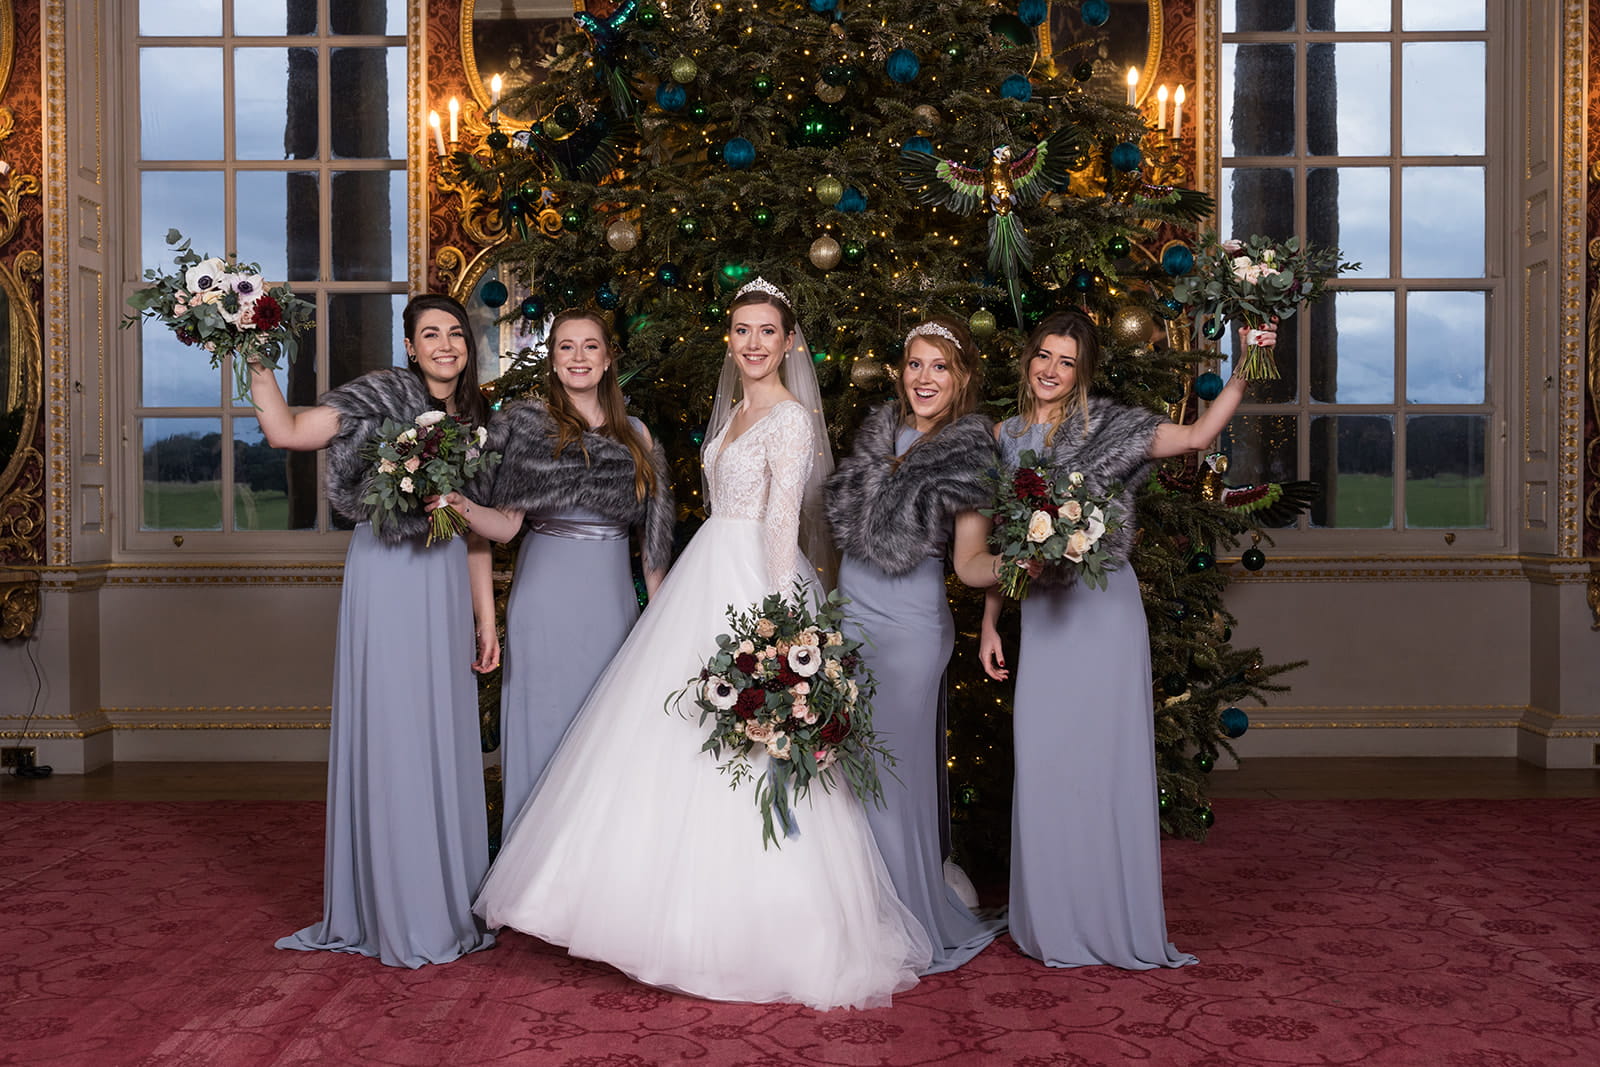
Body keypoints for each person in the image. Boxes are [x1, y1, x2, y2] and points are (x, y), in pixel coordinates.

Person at [473, 278, 932, 1009]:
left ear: (788, 342)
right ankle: (644, 906)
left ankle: (755, 924)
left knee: (741, 740)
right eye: (742, 330)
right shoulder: (739, 408)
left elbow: (783, 526)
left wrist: (776, 629)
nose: (753, 343)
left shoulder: (788, 419)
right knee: (669, 731)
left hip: (752, 579)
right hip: (703, 572)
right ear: (731, 339)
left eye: (766, 331)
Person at [978, 309, 1262, 970]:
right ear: (1029, 359)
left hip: (1105, 612)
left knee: (1104, 767)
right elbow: (1001, 535)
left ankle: (1111, 918)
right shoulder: (1004, 436)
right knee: (1046, 764)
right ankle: (1050, 919)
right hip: (1044, 618)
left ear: (1083, 372)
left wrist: (1247, 367)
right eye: (1043, 355)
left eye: (1066, 360)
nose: (1050, 369)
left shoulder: (1114, 426)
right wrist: (991, 620)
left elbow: (1198, 435)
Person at [254, 293, 497, 968]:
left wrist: (485, 616)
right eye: (430, 334)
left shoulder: (477, 415)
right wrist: (253, 358)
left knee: (439, 731)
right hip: (387, 571)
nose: (445, 344)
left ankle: (446, 900)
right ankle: (394, 907)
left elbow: (476, 529)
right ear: (411, 346)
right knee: (393, 727)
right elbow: (287, 431)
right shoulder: (380, 392)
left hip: (444, 571)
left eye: (455, 333)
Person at [433, 309, 674, 838]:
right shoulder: (524, 425)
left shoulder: (636, 434)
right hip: (544, 601)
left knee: (609, 735)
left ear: (608, 359)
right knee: (542, 730)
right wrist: (460, 503)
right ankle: (530, 872)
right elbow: (503, 529)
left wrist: (661, 623)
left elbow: (652, 545)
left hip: (611, 604)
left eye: (591, 346)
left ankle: (596, 870)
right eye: (567, 347)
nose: (579, 356)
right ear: (554, 361)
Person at [824, 315, 1009, 973]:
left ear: (961, 378)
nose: (923, 377)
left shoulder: (970, 451)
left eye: (939, 366)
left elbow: (970, 561)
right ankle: (855, 912)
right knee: (843, 770)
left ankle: (902, 919)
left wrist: (1023, 564)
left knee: (889, 777)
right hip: (851, 617)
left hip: (909, 629)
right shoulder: (880, 435)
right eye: (914, 363)